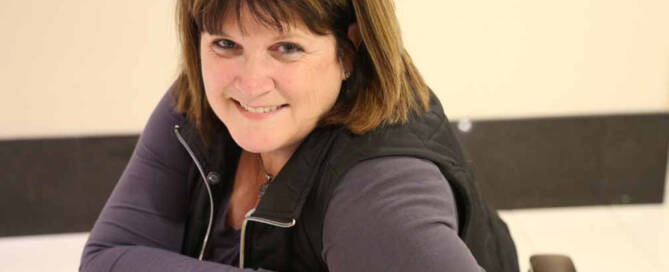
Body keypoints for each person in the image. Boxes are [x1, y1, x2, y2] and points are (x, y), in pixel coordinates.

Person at [80, 0, 519, 271]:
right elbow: (105, 259)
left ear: (350, 47)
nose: (249, 85)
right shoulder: (197, 101)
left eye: (286, 48)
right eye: (225, 44)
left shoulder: (381, 188)